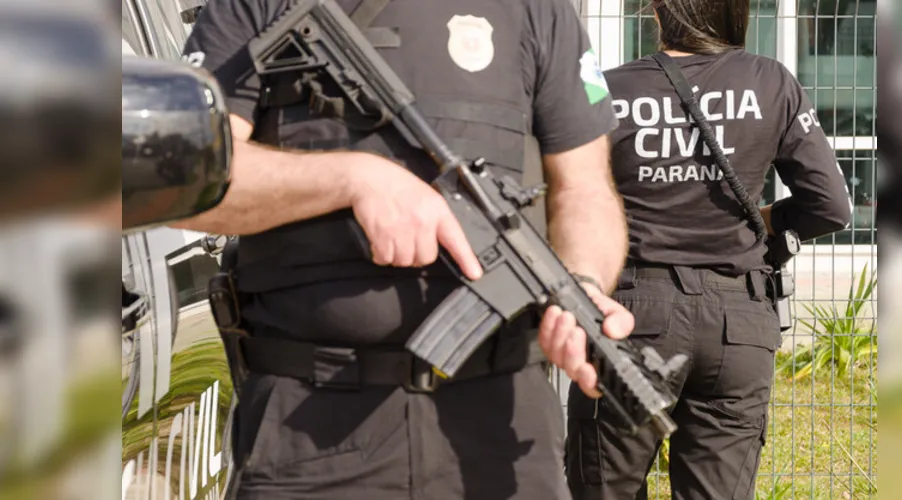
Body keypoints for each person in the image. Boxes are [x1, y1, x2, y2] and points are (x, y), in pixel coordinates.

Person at [172, 0, 636, 498]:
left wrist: (582, 285)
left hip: (501, 425)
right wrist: (349, 179)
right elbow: (183, 176)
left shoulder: (536, 10)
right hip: (311, 427)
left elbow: (584, 189)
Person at [563, 1, 853, 499]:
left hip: (631, 314)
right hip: (737, 325)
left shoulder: (605, 87)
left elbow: (568, 191)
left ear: (658, 14)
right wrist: (766, 222)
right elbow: (831, 207)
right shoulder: (773, 81)